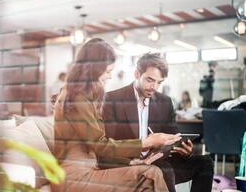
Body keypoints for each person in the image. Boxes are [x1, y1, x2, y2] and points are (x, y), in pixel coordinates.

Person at [53, 39, 181, 191]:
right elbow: (100, 145)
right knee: (150, 175)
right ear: (93, 69)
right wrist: (146, 142)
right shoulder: (77, 97)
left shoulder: (81, 95)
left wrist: (130, 162)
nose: (109, 77)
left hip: (88, 169)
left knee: (149, 173)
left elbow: (97, 147)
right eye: (107, 71)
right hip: (74, 176)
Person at [103, 53, 214, 192]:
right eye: (150, 80)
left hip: (157, 161)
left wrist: (183, 149)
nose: (154, 87)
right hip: (129, 164)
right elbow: (108, 145)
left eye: (159, 82)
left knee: (205, 163)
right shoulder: (112, 99)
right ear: (137, 74)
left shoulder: (165, 102)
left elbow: (173, 136)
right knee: (164, 169)